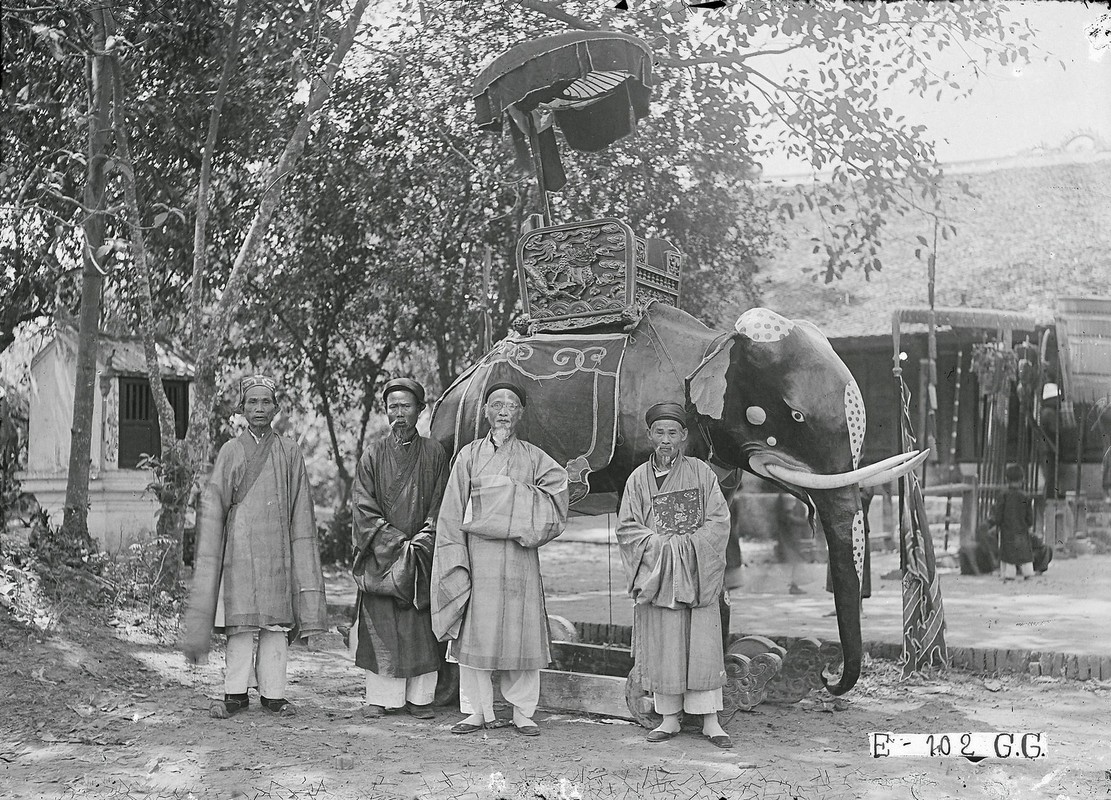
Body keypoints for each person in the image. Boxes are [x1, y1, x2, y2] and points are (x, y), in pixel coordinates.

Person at [183, 375, 327, 718]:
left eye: (266, 402)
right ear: (242, 409)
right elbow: (214, 506)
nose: (259, 408)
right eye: (252, 402)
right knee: (241, 626)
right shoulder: (230, 451)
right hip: (240, 552)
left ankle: (274, 695)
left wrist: (300, 558)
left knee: (275, 627)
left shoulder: (290, 452)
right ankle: (234, 694)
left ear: (276, 408)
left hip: (278, 551)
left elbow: (301, 511)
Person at [430, 382, 569, 737]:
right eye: (496, 404)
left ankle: (523, 712)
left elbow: (557, 499)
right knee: (476, 632)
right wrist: (454, 555)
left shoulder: (535, 458)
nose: (504, 410)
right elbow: (450, 514)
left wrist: (504, 498)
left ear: (520, 413)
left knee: (519, 634)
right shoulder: (467, 457)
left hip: (518, 562)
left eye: (511, 405)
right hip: (478, 560)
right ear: (486, 412)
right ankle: (475, 711)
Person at [616, 402, 732, 749]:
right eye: (659, 433)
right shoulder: (637, 479)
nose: (666, 440)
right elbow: (627, 529)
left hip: (697, 570)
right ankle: (669, 718)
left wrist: (689, 545)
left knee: (702, 641)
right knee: (665, 641)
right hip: (659, 572)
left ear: (683, 436)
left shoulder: (701, 473)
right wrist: (660, 546)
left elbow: (719, 521)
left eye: (673, 433)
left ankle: (710, 719)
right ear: (650, 435)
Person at [350, 378, 448, 720]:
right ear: (385, 411)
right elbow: (363, 508)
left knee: (419, 628)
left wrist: (422, 542)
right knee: (383, 627)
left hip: (422, 553)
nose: (399, 414)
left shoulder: (435, 453)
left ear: (421, 410)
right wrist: (393, 543)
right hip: (382, 556)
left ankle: (420, 699)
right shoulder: (373, 454)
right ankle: (381, 697)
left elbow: (442, 505)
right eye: (393, 406)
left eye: (406, 406)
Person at [992, 463, 1035, 580]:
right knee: (1024, 551)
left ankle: (1009, 573)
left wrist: (997, 523)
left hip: (1007, 528)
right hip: (1022, 528)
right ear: (1022, 480)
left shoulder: (1003, 496)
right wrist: (1029, 524)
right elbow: (1030, 516)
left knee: (1007, 551)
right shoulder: (1025, 496)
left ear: (1006, 479)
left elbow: (998, 513)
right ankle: (1028, 572)